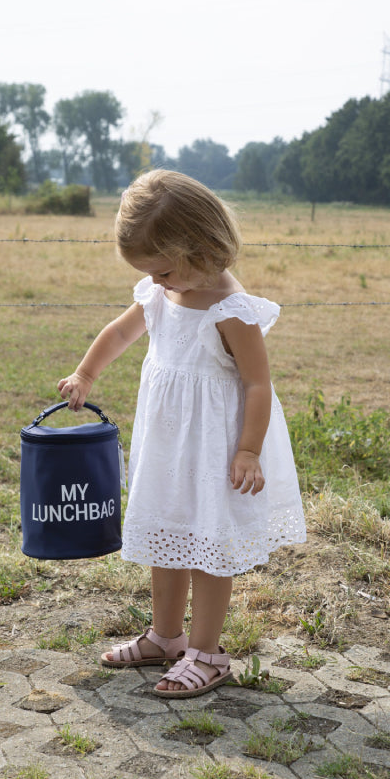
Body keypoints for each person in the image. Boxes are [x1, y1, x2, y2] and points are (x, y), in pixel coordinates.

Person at [57, 169, 306, 698]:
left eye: (164, 270)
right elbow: (121, 330)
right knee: (166, 532)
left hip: (217, 447)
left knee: (207, 543)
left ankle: (207, 653)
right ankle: (164, 637)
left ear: (200, 246)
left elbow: (259, 384)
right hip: (169, 443)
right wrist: (86, 373)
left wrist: (248, 449)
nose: (158, 281)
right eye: (152, 273)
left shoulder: (230, 309)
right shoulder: (163, 292)